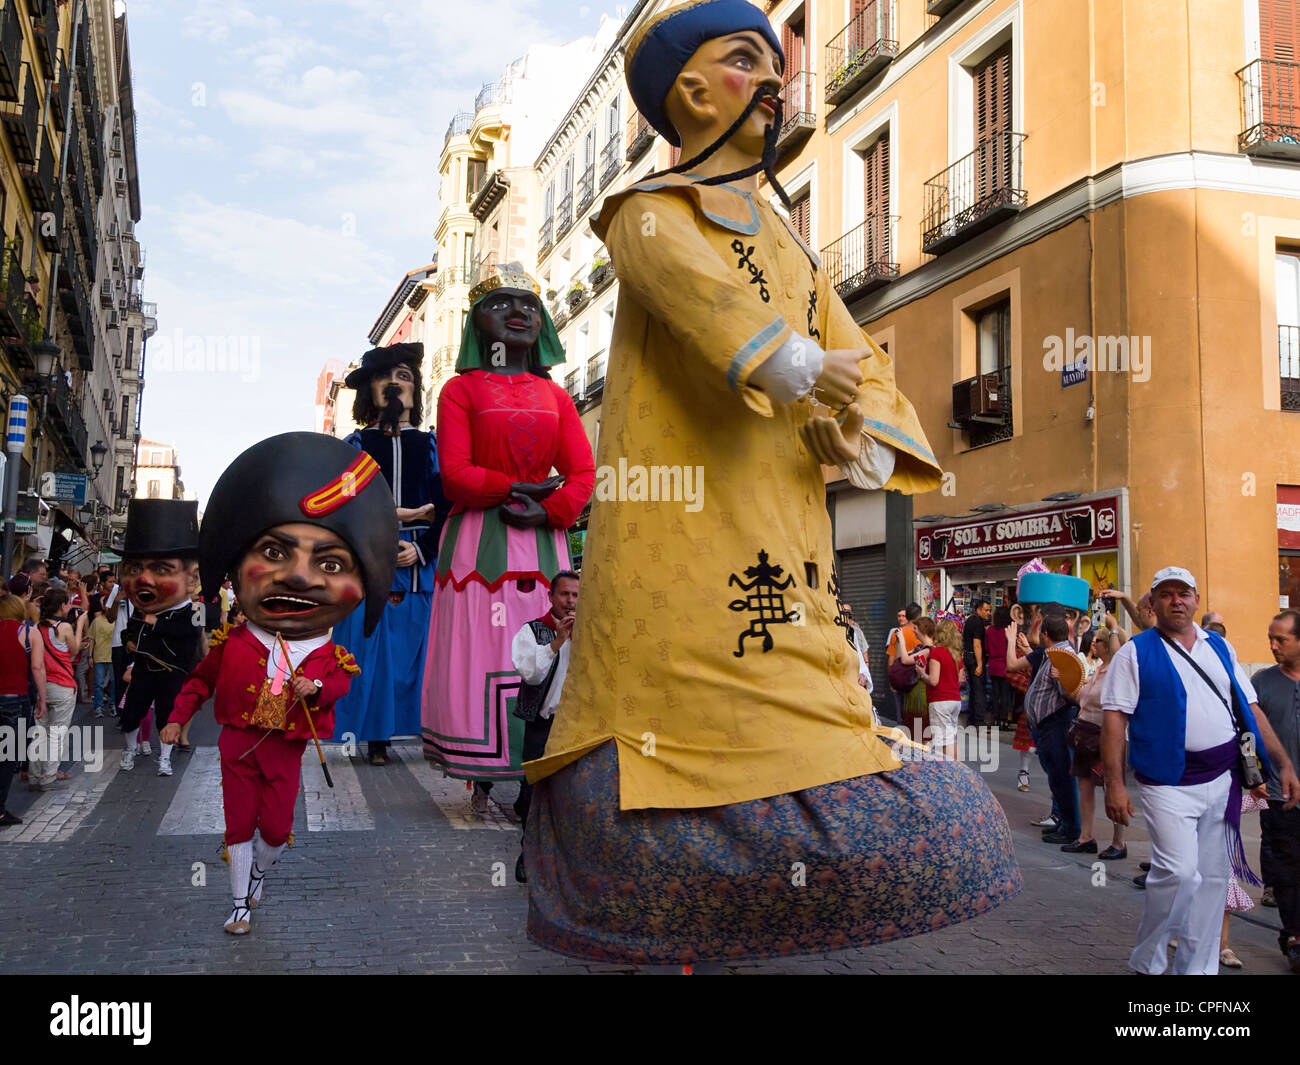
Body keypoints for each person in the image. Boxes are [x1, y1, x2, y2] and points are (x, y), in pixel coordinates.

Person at [520, 0, 1019, 965]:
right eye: (746, 60)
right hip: (687, 520)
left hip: (784, 525)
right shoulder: (649, 215)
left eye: (772, 59)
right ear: (692, 94)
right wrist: (790, 365)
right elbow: (702, 301)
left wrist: (857, 421)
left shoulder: (786, 239)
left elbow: (852, 348)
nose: (777, 77)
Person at [162, 432, 394, 936]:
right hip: (237, 746)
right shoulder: (235, 641)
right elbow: (200, 682)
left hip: (284, 750)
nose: (300, 578)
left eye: (330, 563)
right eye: (273, 551)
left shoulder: (331, 655)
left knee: (277, 830)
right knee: (239, 826)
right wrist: (178, 717)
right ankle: (240, 904)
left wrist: (318, 688)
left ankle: (260, 873)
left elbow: (339, 689)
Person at [420, 262, 595, 814]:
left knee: (545, 644)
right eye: (502, 304)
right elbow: (454, 474)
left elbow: (584, 474)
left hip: (542, 541)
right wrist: (517, 490)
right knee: (487, 649)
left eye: (528, 304)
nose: (519, 312)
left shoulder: (558, 397)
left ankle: (534, 761)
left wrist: (550, 512)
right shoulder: (459, 391)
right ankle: (482, 766)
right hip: (479, 540)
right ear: (478, 324)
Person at [1102, 567, 1300, 976]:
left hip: (1222, 778)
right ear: (1152, 603)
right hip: (1166, 781)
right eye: (1167, 593)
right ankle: (1149, 954)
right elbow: (1115, 720)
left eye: (1184, 593)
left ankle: (1197, 968)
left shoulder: (1219, 647)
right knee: (1178, 873)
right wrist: (1115, 785)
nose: (1176, 600)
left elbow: (1250, 710)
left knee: (1212, 882)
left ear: (1195, 599)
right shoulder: (1134, 652)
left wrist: (1280, 762)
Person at [331, 342, 450, 767]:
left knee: (415, 652)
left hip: (418, 567)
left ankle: (421, 730)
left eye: (405, 377)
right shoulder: (355, 444)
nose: (396, 385)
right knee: (368, 655)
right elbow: (345, 503)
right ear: (371, 391)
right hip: (366, 565)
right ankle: (373, 736)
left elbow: (448, 504)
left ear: (416, 391)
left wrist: (420, 547)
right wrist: (375, 546)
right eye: (387, 378)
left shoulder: (434, 444)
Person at [116, 500, 205, 777]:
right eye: (134, 569)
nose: (144, 579)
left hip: (174, 673)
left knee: (168, 716)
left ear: (192, 579)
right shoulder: (141, 610)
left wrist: (157, 626)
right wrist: (131, 656)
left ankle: (164, 759)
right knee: (131, 714)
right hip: (143, 671)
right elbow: (131, 632)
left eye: (161, 569)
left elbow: (191, 636)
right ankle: (129, 750)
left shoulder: (196, 609)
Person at [509, 569, 579, 883]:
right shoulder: (533, 631)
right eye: (564, 594)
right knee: (532, 792)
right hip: (544, 725)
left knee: (571, 794)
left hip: (578, 726)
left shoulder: (591, 631)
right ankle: (528, 851)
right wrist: (558, 642)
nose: (570, 601)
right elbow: (530, 674)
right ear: (551, 596)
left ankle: (563, 860)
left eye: (576, 595)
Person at [1251, 607, 1300, 972]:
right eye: (1270, 638)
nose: (1272, 645)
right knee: (1286, 869)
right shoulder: (1262, 683)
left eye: (1280, 639)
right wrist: (1255, 780)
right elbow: (1246, 739)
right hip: (1279, 797)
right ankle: (1294, 935)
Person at [1063, 623, 1126, 859]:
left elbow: (1120, 653)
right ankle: (1086, 837)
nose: (1093, 644)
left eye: (1098, 641)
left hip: (1106, 735)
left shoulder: (1117, 669)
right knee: (1085, 786)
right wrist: (1066, 680)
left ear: (1109, 644)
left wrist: (1113, 629)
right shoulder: (1098, 669)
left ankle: (1119, 842)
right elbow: (1080, 698)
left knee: (1113, 787)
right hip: (1085, 733)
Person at [29, 589, 85, 791]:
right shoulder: (65, 627)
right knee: (56, 734)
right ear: (61, 606)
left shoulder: (36, 627)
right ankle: (48, 778)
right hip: (63, 685)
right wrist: (79, 626)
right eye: (68, 604)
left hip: (42, 685)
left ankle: (34, 776)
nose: (69, 607)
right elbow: (75, 649)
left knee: (39, 733)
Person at [0, 593, 44, 825]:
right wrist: (42, 698)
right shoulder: (28, 632)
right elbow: (37, 667)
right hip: (15, 699)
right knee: (7, 757)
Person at [915, 617, 959, 759]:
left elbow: (933, 681)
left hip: (940, 700)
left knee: (942, 740)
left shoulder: (937, 653)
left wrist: (922, 673)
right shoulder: (957, 655)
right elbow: (960, 680)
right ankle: (957, 770)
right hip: (955, 700)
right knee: (951, 738)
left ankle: (949, 772)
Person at [891, 603, 927, 730]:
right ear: (919, 616)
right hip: (917, 680)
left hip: (902, 676)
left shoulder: (898, 633)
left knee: (903, 715)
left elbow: (894, 658)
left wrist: (892, 678)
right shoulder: (923, 635)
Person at [962, 597, 990, 727]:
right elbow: (977, 644)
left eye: (989, 610)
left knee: (973, 689)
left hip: (968, 657)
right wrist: (979, 664)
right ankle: (978, 721)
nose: (988, 613)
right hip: (974, 658)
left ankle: (972, 719)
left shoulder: (969, 621)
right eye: (986, 610)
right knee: (978, 690)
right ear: (978, 610)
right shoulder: (978, 623)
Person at [986, 605, 1014, 728]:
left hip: (993, 665)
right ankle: (1004, 720)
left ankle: (995, 718)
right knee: (1005, 695)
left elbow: (986, 648)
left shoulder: (990, 630)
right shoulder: (1008, 631)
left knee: (995, 694)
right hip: (1005, 666)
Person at [87, 604, 116, 719]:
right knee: (98, 683)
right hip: (99, 655)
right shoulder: (96, 621)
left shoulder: (117, 620)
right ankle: (98, 706)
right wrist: (90, 656)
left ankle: (113, 704)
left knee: (114, 682)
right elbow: (92, 639)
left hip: (113, 655)